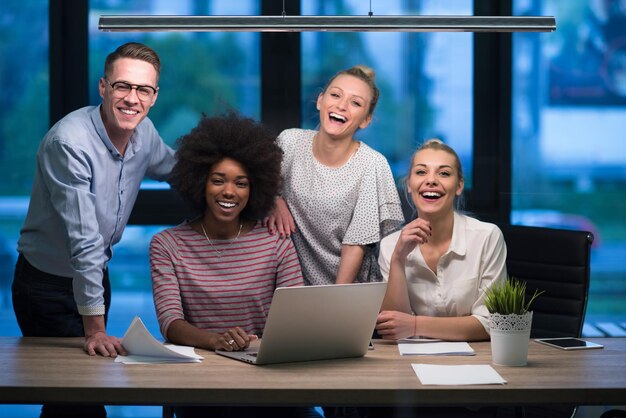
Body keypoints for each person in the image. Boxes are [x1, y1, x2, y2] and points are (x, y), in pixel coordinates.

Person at [11, 42, 174, 417]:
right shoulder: (69, 143)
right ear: (104, 87)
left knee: (79, 393)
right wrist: (95, 331)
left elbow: (179, 170)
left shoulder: (144, 132)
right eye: (123, 86)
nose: (132, 98)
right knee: (76, 398)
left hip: (95, 276)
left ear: (154, 96)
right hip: (45, 286)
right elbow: (84, 242)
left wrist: (252, 192)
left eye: (143, 90)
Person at [150, 112, 315, 418]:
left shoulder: (276, 241)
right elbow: (171, 323)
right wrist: (215, 340)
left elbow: (296, 320)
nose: (229, 191)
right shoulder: (167, 245)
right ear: (199, 182)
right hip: (201, 387)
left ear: (254, 189)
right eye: (218, 180)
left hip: (270, 384)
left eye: (241, 183)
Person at [265, 65, 404, 286]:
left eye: (355, 103)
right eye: (335, 95)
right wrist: (274, 198)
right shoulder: (289, 142)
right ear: (320, 100)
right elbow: (256, 186)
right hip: (288, 287)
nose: (342, 105)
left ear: (366, 120)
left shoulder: (372, 164)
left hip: (348, 290)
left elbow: (356, 244)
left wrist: (335, 303)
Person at [375, 139, 507, 342]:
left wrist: (415, 325)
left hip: (476, 362)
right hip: (407, 363)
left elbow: (491, 323)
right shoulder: (391, 245)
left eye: (444, 173)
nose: (431, 180)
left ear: (459, 186)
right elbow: (392, 329)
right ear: (409, 185)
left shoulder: (487, 237)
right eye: (421, 172)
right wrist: (398, 259)